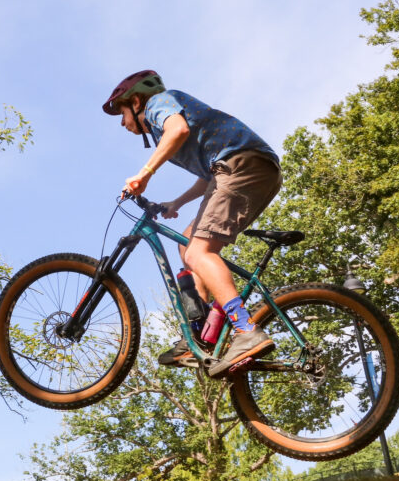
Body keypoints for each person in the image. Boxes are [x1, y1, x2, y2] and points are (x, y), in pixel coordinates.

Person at [102, 70, 283, 377]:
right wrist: (177, 202)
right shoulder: (162, 130)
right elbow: (207, 175)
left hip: (243, 166)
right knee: (188, 244)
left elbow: (179, 131)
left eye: (121, 113)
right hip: (234, 169)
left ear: (135, 101)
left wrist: (143, 174)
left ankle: (245, 330)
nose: (122, 122)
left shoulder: (160, 103)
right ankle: (200, 337)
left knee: (199, 253)